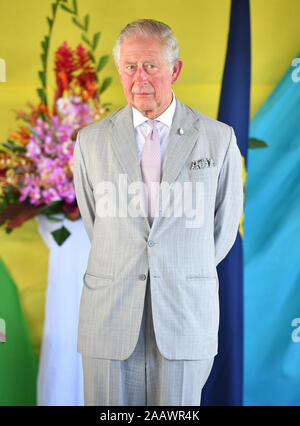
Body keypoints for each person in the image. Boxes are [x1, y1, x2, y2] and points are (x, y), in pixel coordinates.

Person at [73, 18, 243, 406]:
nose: (140, 78)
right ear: (119, 70)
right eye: (130, 67)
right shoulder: (90, 142)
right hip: (109, 316)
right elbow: (96, 223)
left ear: (175, 70)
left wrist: (178, 263)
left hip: (185, 313)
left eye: (151, 66)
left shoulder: (218, 139)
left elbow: (222, 230)